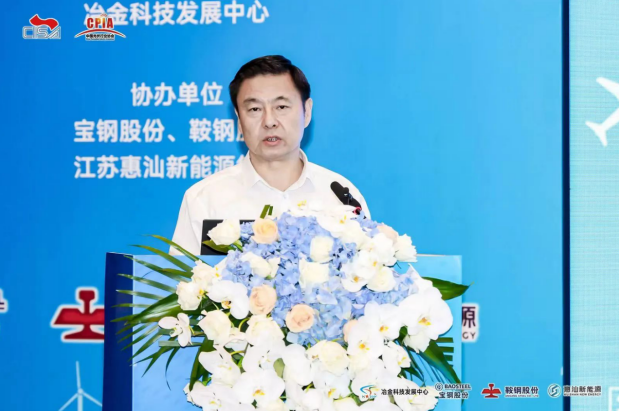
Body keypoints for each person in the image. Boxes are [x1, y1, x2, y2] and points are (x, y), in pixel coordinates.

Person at [169, 55, 370, 255]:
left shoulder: (341, 196)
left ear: (306, 111)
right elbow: (184, 275)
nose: (269, 121)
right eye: (255, 109)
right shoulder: (205, 199)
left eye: (281, 107)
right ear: (239, 119)